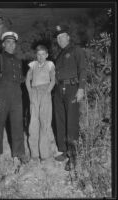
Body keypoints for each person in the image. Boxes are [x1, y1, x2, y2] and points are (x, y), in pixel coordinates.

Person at [0, 31, 28, 165]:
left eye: (13, 43)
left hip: (16, 94)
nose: (11, 45)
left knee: (17, 123)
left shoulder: (18, 61)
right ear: (3, 44)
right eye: (8, 43)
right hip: (1, 93)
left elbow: (20, 78)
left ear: (15, 45)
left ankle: (19, 152)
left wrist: (31, 77)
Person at [53, 25, 86, 170]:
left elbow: (83, 69)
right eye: (58, 38)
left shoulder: (76, 50)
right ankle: (65, 150)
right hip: (59, 90)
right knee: (60, 120)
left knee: (71, 122)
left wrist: (81, 88)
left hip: (72, 88)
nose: (60, 40)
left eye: (62, 36)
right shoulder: (59, 55)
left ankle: (73, 156)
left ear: (68, 37)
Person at [25, 44, 57, 161]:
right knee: (33, 121)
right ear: (36, 55)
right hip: (34, 92)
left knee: (45, 121)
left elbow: (53, 80)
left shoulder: (50, 64)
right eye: (38, 54)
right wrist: (30, 93)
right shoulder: (32, 65)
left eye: (43, 54)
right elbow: (27, 79)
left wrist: (47, 92)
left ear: (47, 55)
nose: (41, 57)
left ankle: (45, 154)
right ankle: (34, 153)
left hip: (45, 92)